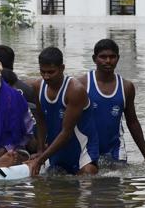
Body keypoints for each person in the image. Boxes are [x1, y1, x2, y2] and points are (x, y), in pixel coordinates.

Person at [26, 47, 99, 176]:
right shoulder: (37, 87)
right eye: (42, 72)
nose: (46, 76)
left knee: (87, 177)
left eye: (51, 72)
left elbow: (67, 132)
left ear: (62, 68)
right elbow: (40, 120)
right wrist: (40, 150)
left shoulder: (75, 90)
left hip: (82, 152)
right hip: (57, 150)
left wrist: (40, 159)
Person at [78, 39, 145, 163]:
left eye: (112, 57)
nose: (108, 61)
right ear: (94, 59)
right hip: (86, 149)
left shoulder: (126, 87)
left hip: (116, 149)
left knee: (118, 179)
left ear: (118, 58)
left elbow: (132, 122)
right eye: (103, 57)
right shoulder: (81, 85)